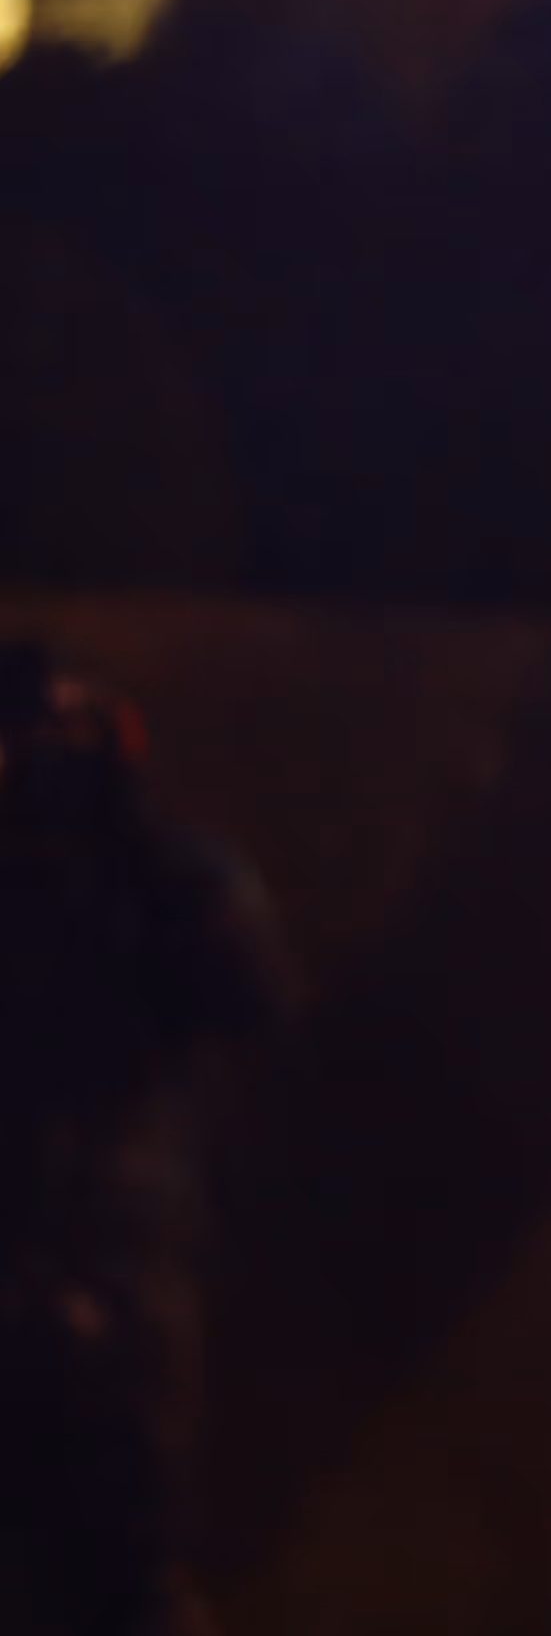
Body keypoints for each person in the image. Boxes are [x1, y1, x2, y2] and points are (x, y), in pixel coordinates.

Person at [0, 643, 285, 1636]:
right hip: (54, 1239)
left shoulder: (156, 876)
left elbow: (249, 991)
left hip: (122, 1255)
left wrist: (129, 832)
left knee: (131, 1570)